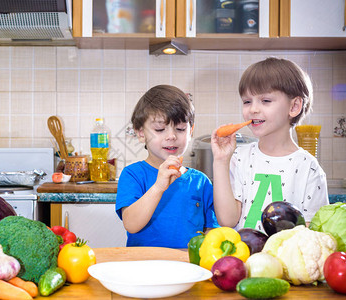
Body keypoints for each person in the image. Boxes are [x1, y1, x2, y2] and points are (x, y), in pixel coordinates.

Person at [211, 57, 329, 232]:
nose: (253, 109)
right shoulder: (239, 158)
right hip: (242, 257)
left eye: (265, 101)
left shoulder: (308, 167)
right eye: (247, 101)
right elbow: (227, 220)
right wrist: (220, 161)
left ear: (294, 106)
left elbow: (313, 230)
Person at [116, 85, 219, 248]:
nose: (171, 136)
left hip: (188, 268)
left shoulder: (201, 182)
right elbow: (131, 224)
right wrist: (158, 187)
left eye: (180, 129)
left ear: (190, 131)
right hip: (142, 267)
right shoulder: (133, 175)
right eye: (160, 129)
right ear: (141, 133)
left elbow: (211, 232)